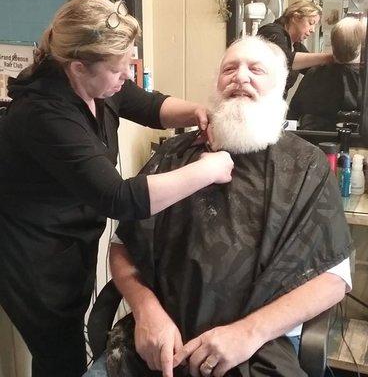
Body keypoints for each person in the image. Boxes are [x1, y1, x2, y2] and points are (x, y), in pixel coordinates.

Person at [85, 35, 352, 377]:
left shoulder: (306, 166)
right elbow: (123, 246)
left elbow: (334, 276)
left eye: (256, 69)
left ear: (282, 84)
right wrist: (146, 309)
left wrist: (249, 332)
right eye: (230, 69)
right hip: (161, 344)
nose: (240, 77)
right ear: (216, 84)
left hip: (258, 348)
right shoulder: (174, 155)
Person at [0, 0, 234, 377]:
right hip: (32, 254)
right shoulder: (43, 113)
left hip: (69, 237)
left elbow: (148, 105)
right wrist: (209, 169)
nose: (128, 76)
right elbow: (119, 198)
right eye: (120, 70)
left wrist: (196, 111)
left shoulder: (98, 80)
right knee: (60, 356)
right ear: (78, 67)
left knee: (65, 344)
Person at [288, 16, 365, 131]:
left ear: (333, 43)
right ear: (361, 46)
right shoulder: (363, 78)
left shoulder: (314, 74)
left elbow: (293, 113)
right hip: (354, 142)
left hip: (315, 140)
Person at [257, 0, 333, 97]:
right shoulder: (270, 32)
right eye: (311, 23)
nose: (313, 30)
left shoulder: (296, 46)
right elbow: (285, 60)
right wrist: (330, 57)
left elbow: (313, 68)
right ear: (295, 17)